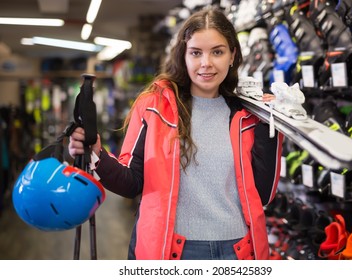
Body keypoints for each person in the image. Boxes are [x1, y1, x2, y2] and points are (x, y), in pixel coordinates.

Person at [68, 7, 284, 260]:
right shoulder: (155, 106)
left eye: (217, 52)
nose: (206, 63)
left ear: (232, 55)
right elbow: (132, 182)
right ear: (183, 56)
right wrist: (96, 154)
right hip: (175, 251)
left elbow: (263, 194)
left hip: (237, 250)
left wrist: (270, 124)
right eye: (196, 53)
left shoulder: (247, 114)